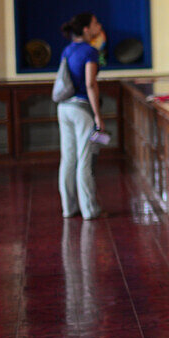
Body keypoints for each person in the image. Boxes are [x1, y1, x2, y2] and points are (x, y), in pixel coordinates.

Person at [58, 12, 105, 219]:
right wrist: (98, 116)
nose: (99, 25)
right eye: (95, 23)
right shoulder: (90, 51)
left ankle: (69, 208)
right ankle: (90, 210)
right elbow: (90, 84)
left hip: (64, 108)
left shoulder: (67, 50)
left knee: (68, 159)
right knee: (85, 160)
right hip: (81, 109)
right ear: (86, 29)